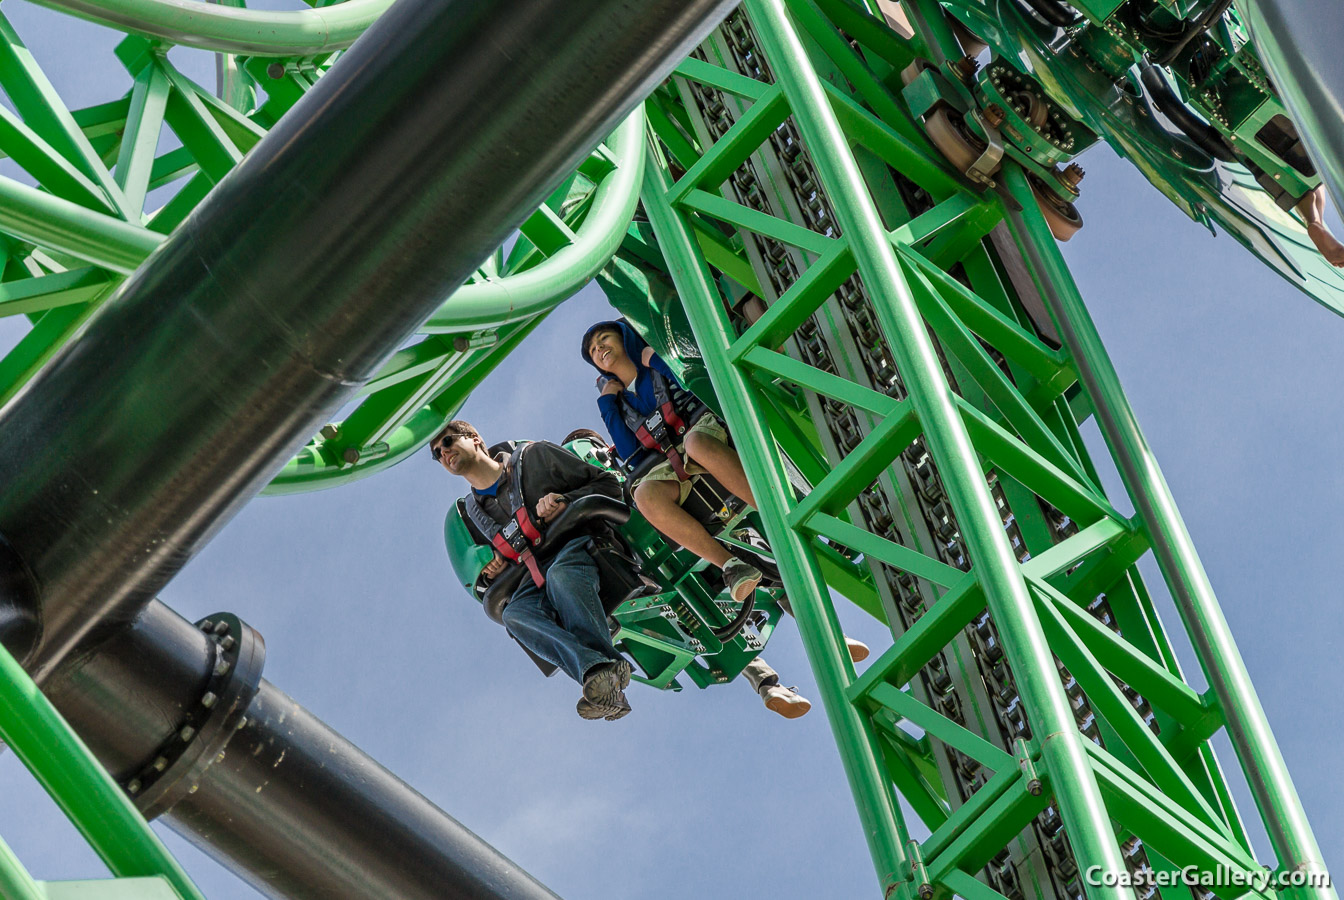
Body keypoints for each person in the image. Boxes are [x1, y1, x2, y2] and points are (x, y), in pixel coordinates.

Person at [580, 320, 869, 714]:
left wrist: (651, 355)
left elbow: (687, 376)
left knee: (700, 447)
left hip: (704, 434)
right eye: (593, 351)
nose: (600, 349)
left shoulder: (652, 366)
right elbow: (631, 454)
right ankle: (730, 566)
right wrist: (607, 403)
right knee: (646, 494)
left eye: (604, 339)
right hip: (673, 465)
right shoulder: (623, 405)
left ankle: (780, 517)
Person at [431, 419, 634, 721]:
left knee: (560, 576)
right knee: (514, 614)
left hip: (578, 544)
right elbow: (489, 566)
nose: (443, 453)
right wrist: (492, 570)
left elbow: (607, 484)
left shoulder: (535, 457)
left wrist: (565, 501)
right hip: (533, 571)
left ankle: (604, 671)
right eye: (437, 453)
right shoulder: (473, 517)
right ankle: (600, 673)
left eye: (447, 442)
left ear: (474, 438)